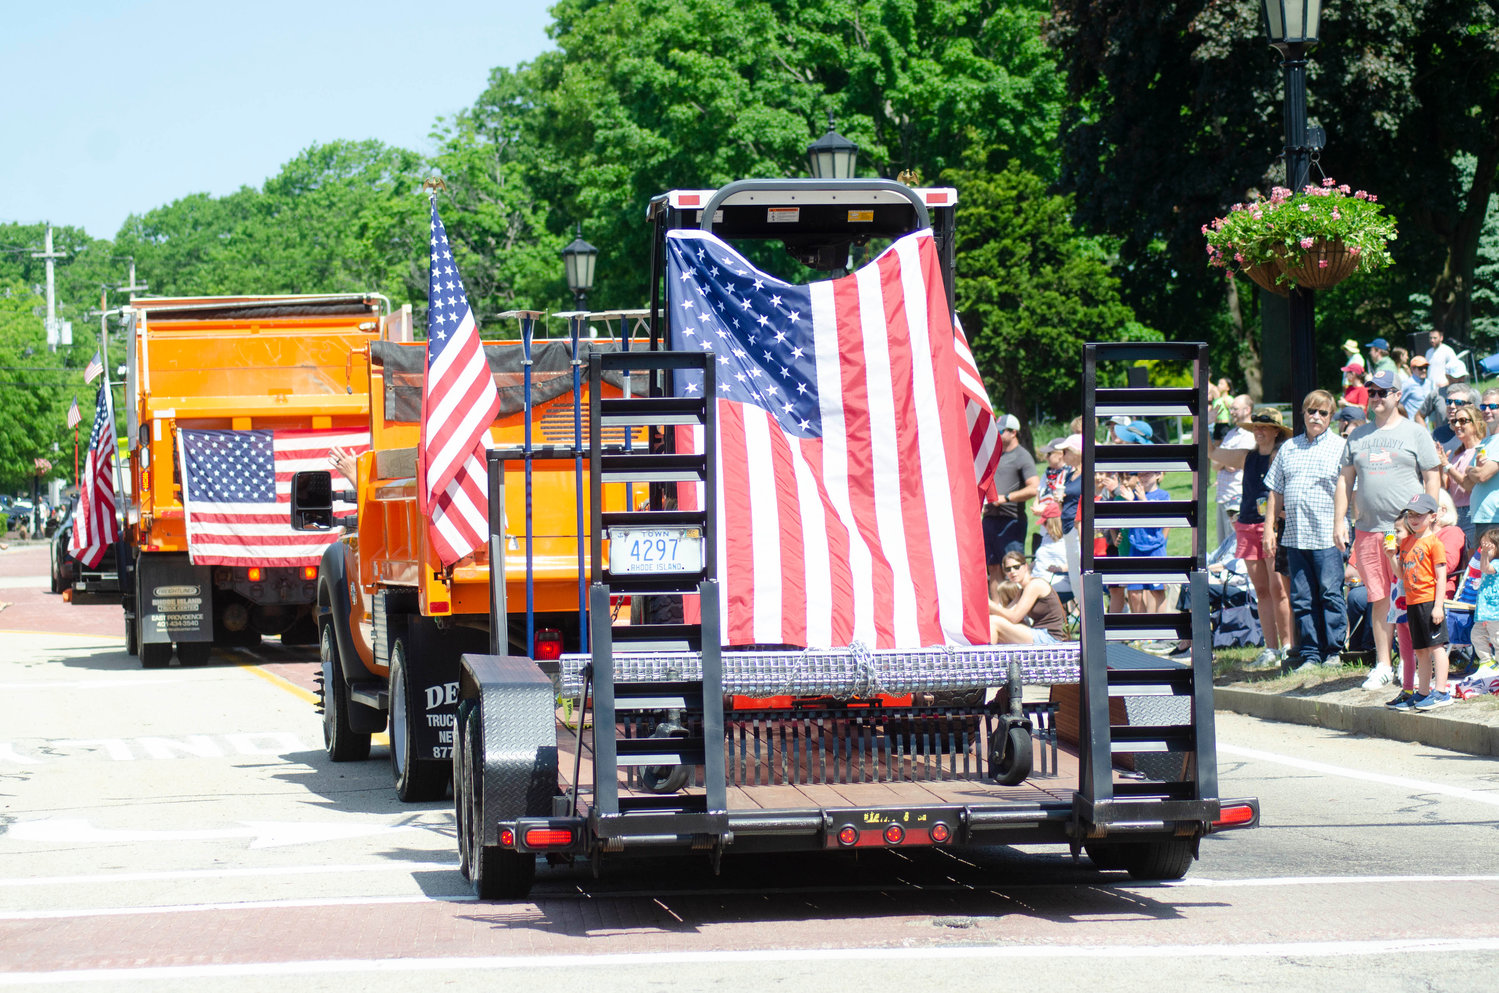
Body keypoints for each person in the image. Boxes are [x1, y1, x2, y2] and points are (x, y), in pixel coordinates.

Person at [1334, 369, 1443, 690]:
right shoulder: (1357, 436)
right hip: (1368, 530)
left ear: (1397, 395)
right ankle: (1383, 663)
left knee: (1411, 596)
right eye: (1372, 392)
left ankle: (1410, 662)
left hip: (1409, 531)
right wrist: (1340, 521)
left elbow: (1432, 476)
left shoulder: (1415, 433)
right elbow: (1345, 480)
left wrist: (1430, 515)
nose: (1377, 398)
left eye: (1384, 392)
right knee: (1379, 597)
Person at [1264, 390, 1348, 672]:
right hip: (1295, 535)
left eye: (1323, 413)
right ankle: (1311, 654)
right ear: (1303, 414)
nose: (1316, 417)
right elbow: (1274, 491)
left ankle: (1334, 651)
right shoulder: (1289, 448)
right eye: (1311, 411)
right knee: (1302, 597)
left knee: (1330, 593)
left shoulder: (1340, 447)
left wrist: (1345, 524)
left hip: (1327, 535)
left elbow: (1348, 490)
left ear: (1331, 417)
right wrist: (1269, 529)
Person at [1230, 407, 1294, 669]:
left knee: (1280, 588)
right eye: (1255, 427)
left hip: (1272, 527)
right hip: (1247, 524)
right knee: (1261, 590)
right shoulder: (1248, 457)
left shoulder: (1282, 457)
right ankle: (1271, 647)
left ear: (1276, 431)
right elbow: (1211, 454)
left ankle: (1289, 645)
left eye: (1264, 427)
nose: (1258, 431)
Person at [1391, 493, 1453, 710]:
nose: (1414, 519)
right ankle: (1423, 692)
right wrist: (1391, 555)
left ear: (1433, 516)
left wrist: (1438, 605)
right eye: (1411, 514)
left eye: (1419, 515)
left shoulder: (1434, 543)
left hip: (1429, 600)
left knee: (1436, 647)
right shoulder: (1407, 541)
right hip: (1412, 601)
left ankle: (1442, 691)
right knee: (1421, 650)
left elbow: (1441, 575)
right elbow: (1401, 574)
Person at [981, 414, 1040, 596]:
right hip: (989, 519)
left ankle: (1020, 611)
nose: (997, 435)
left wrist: (1005, 497)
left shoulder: (1022, 456)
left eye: (1001, 432)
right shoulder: (993, 454)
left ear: (1013, 432)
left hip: (1011, 521)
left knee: (1014, 568)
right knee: (993, 568)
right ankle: (998, 613)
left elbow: (1034, 487)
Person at [988, 550, 1069, 645]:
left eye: (1016, 567)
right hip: (1038, 633)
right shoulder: (1022, 590)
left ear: (1026, 566)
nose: (1012, 572)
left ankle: (986, 658)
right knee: (994, 621)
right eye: (1008, 569)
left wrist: (991, 605)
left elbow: (1014, 617)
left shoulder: (1034, 585)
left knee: (993, 622)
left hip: (1049, 637)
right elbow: (1007, 613)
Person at [1210, 394, 1254, 553]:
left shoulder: (1251, 434)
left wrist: (1223, 459)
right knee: (1224, 546)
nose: (1231, 411)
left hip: (1237, 497)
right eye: (1231, 408)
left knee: (1237, 548)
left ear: (1247, 410)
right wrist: (1224, 460)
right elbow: (1214, 464)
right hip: (1223, 496)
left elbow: (1236, 463)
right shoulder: (1231, 433)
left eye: (1235, 408)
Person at [1437, 402, 1482, 547]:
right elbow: (1445, 486)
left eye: (1462, 421)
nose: (1457, 425)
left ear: (1475, 424)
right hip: (1456, 512)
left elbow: (1468, 485)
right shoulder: (1457, 454)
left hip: (1472, 511)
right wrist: (1440, 465)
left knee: (1473, 558)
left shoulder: (1480, 450)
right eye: (1454, 421)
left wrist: (1447, 465)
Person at [1467, 528, 1499, 669]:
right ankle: (1487, 660)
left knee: (1497, 639)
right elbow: (1483, 567)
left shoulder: (1497, 563)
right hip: (1485, 612)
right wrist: (1485, 553)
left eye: (1487, 547)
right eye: (1482, 546)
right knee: (1476, 635)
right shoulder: (1486, 561)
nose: (1482, 550)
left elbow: (1486, 568)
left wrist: (1485, 555)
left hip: (1495, 611)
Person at [1424, 327, 1466, 392]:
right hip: (1430, 389)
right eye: (1430, 338)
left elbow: (1455, 368)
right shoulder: (1428, 352)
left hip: (1444, 387)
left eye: (1435, 338)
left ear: (1441, 338)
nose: (1432, 340)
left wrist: (1446, 383)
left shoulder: (1447, 350)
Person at [1403, 355, 1433, 423]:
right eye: (1421, 368)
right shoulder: (1407, 384)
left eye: (1426, 367)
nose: (1424, 370)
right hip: (1413, 424)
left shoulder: (1429, 383)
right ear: (1413, 369)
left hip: (1428, 424)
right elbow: (1398, 403)